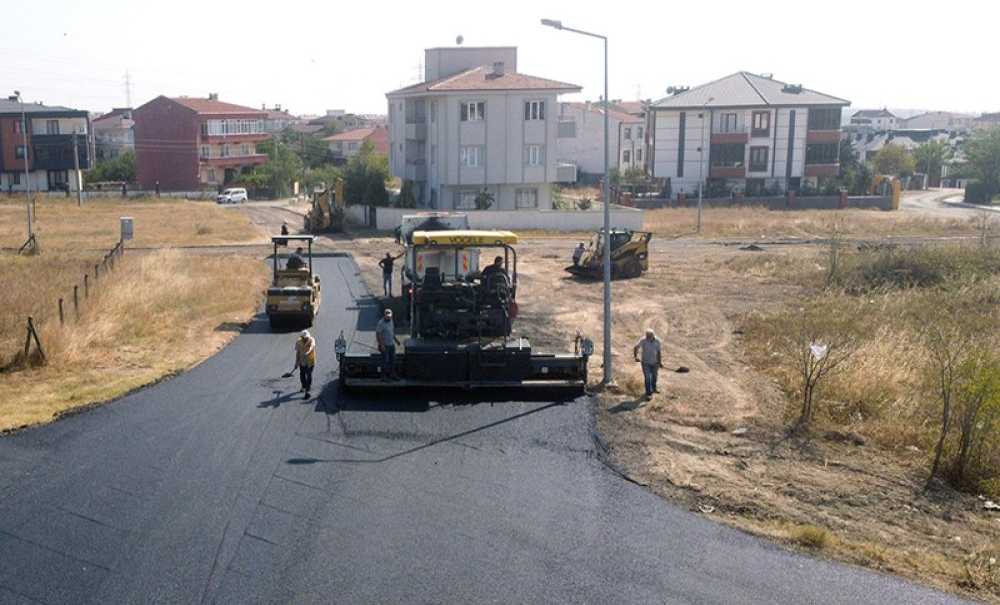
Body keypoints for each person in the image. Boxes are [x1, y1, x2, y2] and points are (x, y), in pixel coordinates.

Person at [633, 329, 664, 400]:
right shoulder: (643, 340)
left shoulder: (657, 341)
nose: (647, 338)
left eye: (649, 337)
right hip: (645, 363)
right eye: (647, 336)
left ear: (653, 336)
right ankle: (648, 393)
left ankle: (654, 388)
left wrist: (660, 362)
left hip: (655, 363)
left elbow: (659, 352)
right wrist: (636, 356)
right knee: (647, 377)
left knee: (654, 376)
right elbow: (636, 347)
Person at [376, 308, 401, 380]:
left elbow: (391, 332)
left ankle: (392, 375)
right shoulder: (381, 323)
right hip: (385, 345)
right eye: (387, 316)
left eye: (390, 316)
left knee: (393, 360)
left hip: (391, 345)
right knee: (385, 361)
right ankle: (383, 376)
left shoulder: (391, 321)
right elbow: (378, 335)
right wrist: (381, 345)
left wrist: (396, 340)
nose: (389, 317)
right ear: (384, 315)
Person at [294, 330, 316, 399]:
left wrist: (307, 352)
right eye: (304, 338)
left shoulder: (311, 340)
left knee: (309, 375)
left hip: (310, 361)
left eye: (307, 337)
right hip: (302, 361)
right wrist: (296, 363)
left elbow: (311, 347)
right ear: (302, 338)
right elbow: (297, 353)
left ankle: (308, 390)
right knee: (302, 374)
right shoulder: (298, 342)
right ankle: (303, 386)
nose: (306, 339)